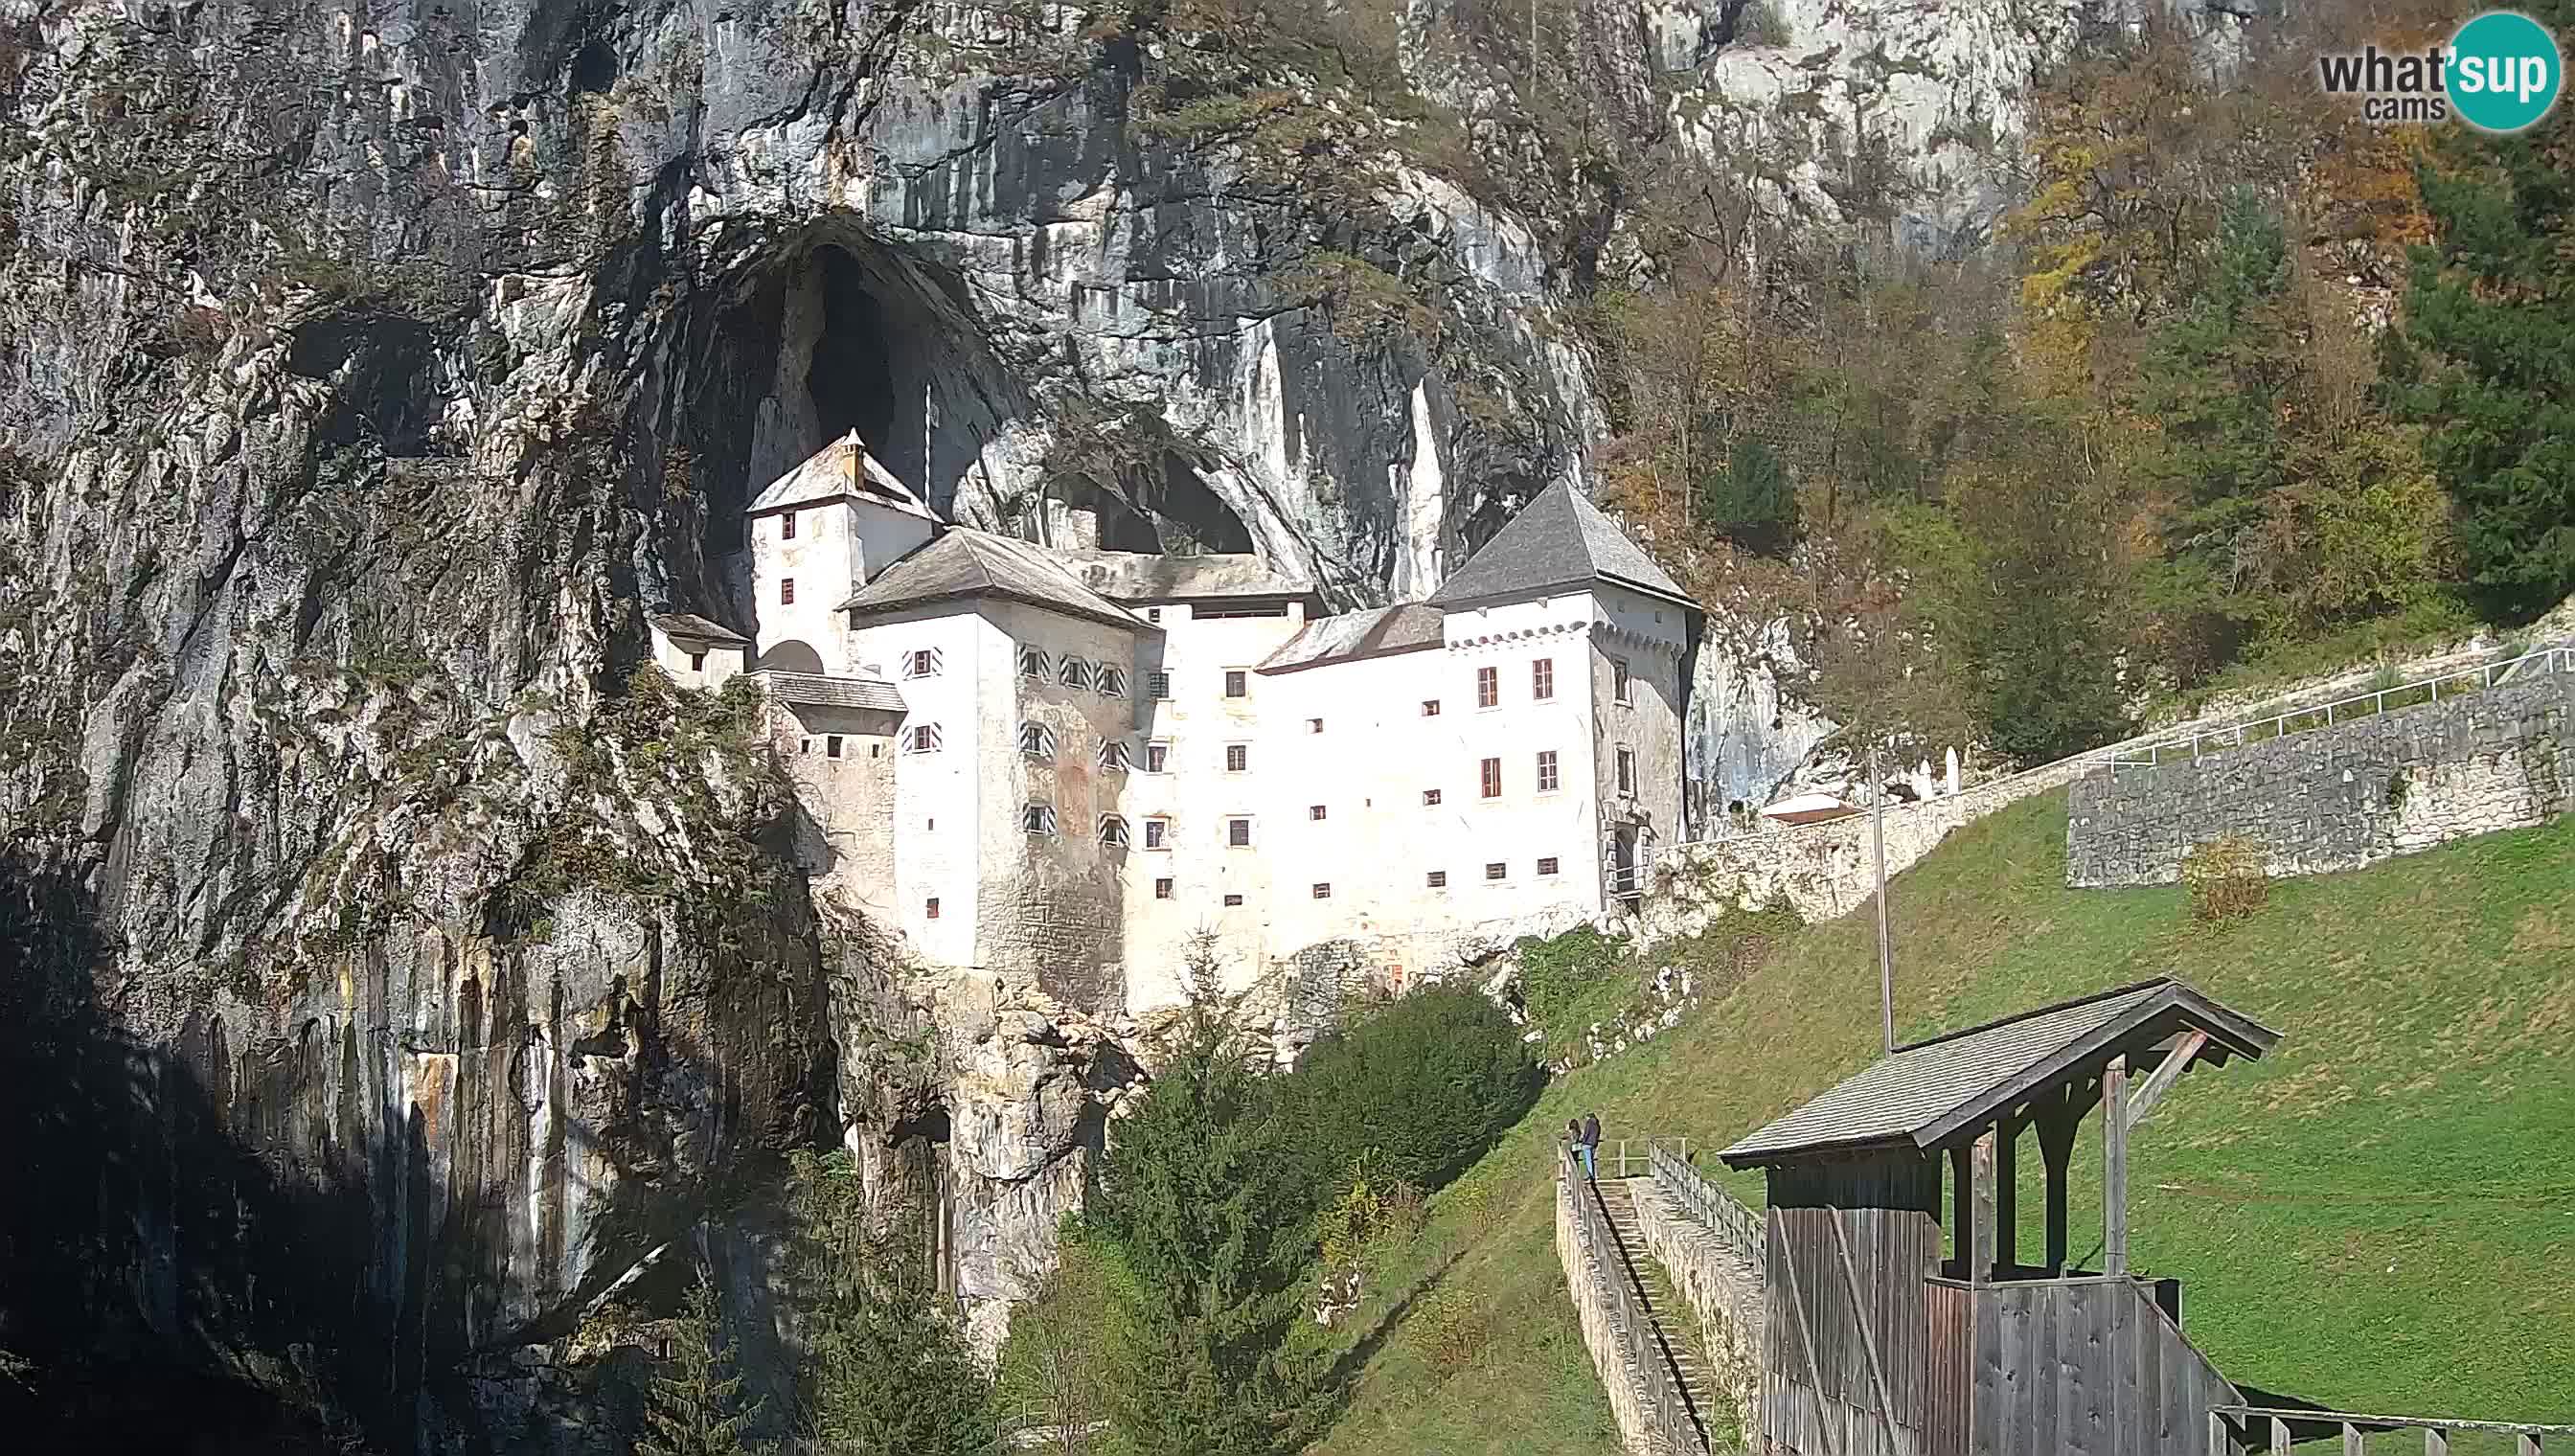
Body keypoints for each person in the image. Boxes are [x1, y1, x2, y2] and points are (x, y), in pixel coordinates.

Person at [1581, 1112, 1603, 1181]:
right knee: (1591, 1160)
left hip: (1587, 1143)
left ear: (1588, 1117)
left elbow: (1586, 1133)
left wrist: (1583, 1142)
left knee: (1587, 1160)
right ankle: (1593, 1175)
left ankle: (1590, 1175)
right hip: (1594, 1144)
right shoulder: (1597, 1124)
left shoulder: (1589, 1123)